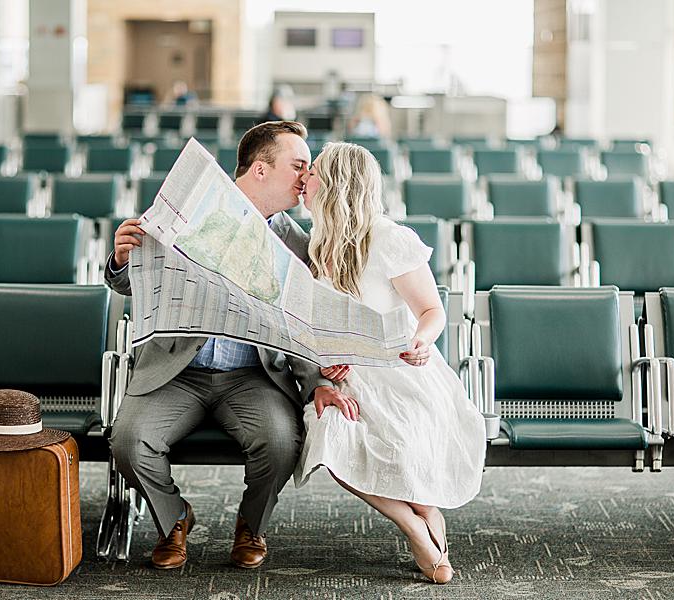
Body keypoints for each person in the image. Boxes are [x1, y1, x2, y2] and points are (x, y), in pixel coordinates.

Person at [105, 121, 358, 570]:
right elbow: (132, 285)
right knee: (128, 442)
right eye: (298, 166)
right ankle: (174, 518)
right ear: (260, 169)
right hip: (178, 370)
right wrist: (122, 260)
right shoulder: (189, 213)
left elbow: (305, 324)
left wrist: (318, 380)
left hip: (253, 376)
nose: (306, 177)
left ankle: (250, 524)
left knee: (281, 442)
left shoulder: (298, 245)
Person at [294, 142, 486, 584]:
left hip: (403, 370)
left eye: (315, 173)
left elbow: (432, 312)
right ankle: (415, 527)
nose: (305, 180)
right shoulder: (317, 244)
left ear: (339, 185)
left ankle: (424, 509)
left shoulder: (390, 239)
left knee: (402, 449)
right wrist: (326, 362)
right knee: (331, 438)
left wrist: (422, 340)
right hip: (351, 375)